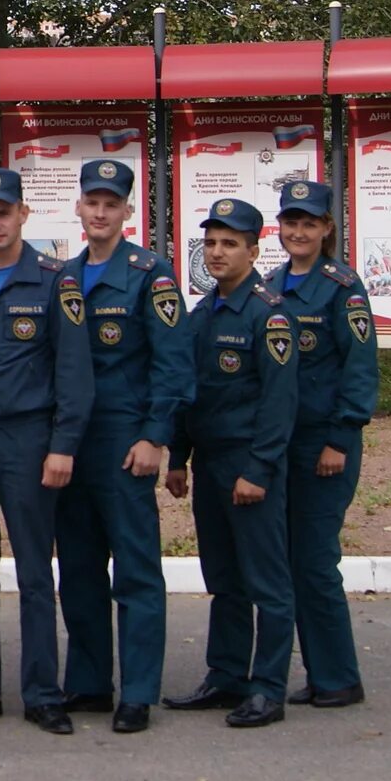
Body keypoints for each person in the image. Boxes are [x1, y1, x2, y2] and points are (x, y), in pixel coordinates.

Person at [0, 167, 93, 735]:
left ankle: (41, 693)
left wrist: (63, 446)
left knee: (33, 571)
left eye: (5, 212)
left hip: (29, 440)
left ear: (23, 214)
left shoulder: (55, 281)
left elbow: (74, 371)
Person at [52, 160, 191, 734]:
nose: (101, 212)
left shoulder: (149, 275)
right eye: (92, 202)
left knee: (134, 571)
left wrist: (156, 436)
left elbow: (175, 364)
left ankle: (136, 691)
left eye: (112, 203)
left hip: (124, 437)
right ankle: (87, 682)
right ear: (80, 209)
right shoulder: (63, 276)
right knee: (80, 567)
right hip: (70, 442)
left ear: (128, 212)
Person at [164, 198, 299, 728]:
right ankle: (226, 677)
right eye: (211, 243)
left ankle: (268, 688)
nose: (217, 253)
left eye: (229, 244)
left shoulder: (269, 313)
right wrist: (178, 456)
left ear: (253, 250)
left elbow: (279, 401)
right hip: (211, 464)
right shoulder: (205, 312)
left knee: (267, 582)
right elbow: (190, 391)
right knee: (223, 579)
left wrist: (259, 470)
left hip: (249, 464)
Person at [272, 181, 375, 709]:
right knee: (291, 561)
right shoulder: (270, 285)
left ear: (327, 228)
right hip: (281, 446)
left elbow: (359, 371)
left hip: (324, 447)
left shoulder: (342, 288)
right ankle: (320, 675)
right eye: (291, 222)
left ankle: (339, 678)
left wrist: (341, 437)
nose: (299, 231)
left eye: (309, 223)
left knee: (313, 560)